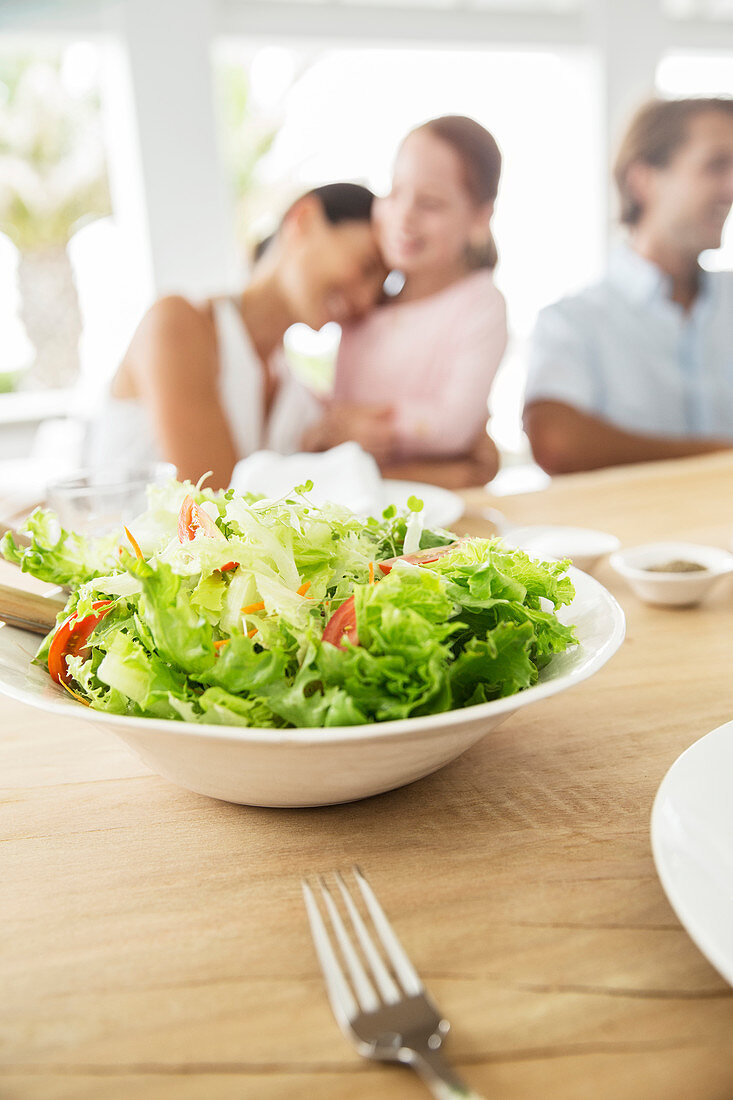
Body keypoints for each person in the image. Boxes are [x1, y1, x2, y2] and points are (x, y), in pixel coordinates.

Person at [88, 183, 386, 488]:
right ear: (304, 219)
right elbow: (215, 504)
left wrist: (323, 446)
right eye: (367, 267)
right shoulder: (176, 324)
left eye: (379, 293)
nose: (365, 301)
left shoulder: (296, 395)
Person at [524, 96, 733, 476]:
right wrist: (718, 455)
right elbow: (557, 444)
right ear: (643, 180)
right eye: (716, 165)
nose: (731, 187)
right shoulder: (572, 321)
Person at [303, 116, 508, 490]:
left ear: (480, 218)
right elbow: (329, 406)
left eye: (430, 203)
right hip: (357, 506)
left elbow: (453, 424)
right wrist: (332, 424)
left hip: (440, 512)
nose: (405, 217)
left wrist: (353, 426)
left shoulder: (480, 303)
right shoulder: (363, 302)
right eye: (395, 193)